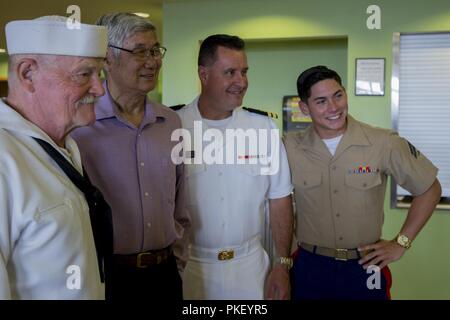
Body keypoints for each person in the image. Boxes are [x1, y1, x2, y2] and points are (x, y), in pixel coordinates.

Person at [284, 65, 442, 300]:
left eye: (338, 95)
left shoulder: (383, 142)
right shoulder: (288, 147)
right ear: (304, 108)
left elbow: (430, 188)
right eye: (321, 101)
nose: (334, 107)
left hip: (366, 264)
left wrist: (402, 242)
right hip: (310, 266)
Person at [71, 13, 190, 300]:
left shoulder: (171, 121)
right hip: (109, 277)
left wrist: (179, 258)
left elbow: (180, 199)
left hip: (165, 274)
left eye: (155, 50)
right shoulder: (79, 126)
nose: (152, 61)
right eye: (139, 51)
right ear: (107, 59)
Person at [174, 34, 294, 300]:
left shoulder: (262, 128)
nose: (241, 82)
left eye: (244, 72)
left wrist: (282, 264)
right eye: (230, 72)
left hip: (251, 267)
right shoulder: (174, 127)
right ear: (203, 74)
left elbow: (280, 199)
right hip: (191, 269)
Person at [0, 16, 109, 299]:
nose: (99, 89)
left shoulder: (63, 146)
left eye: (100, 75)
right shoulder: (4, 157)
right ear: (28, 74)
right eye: (84, 74)